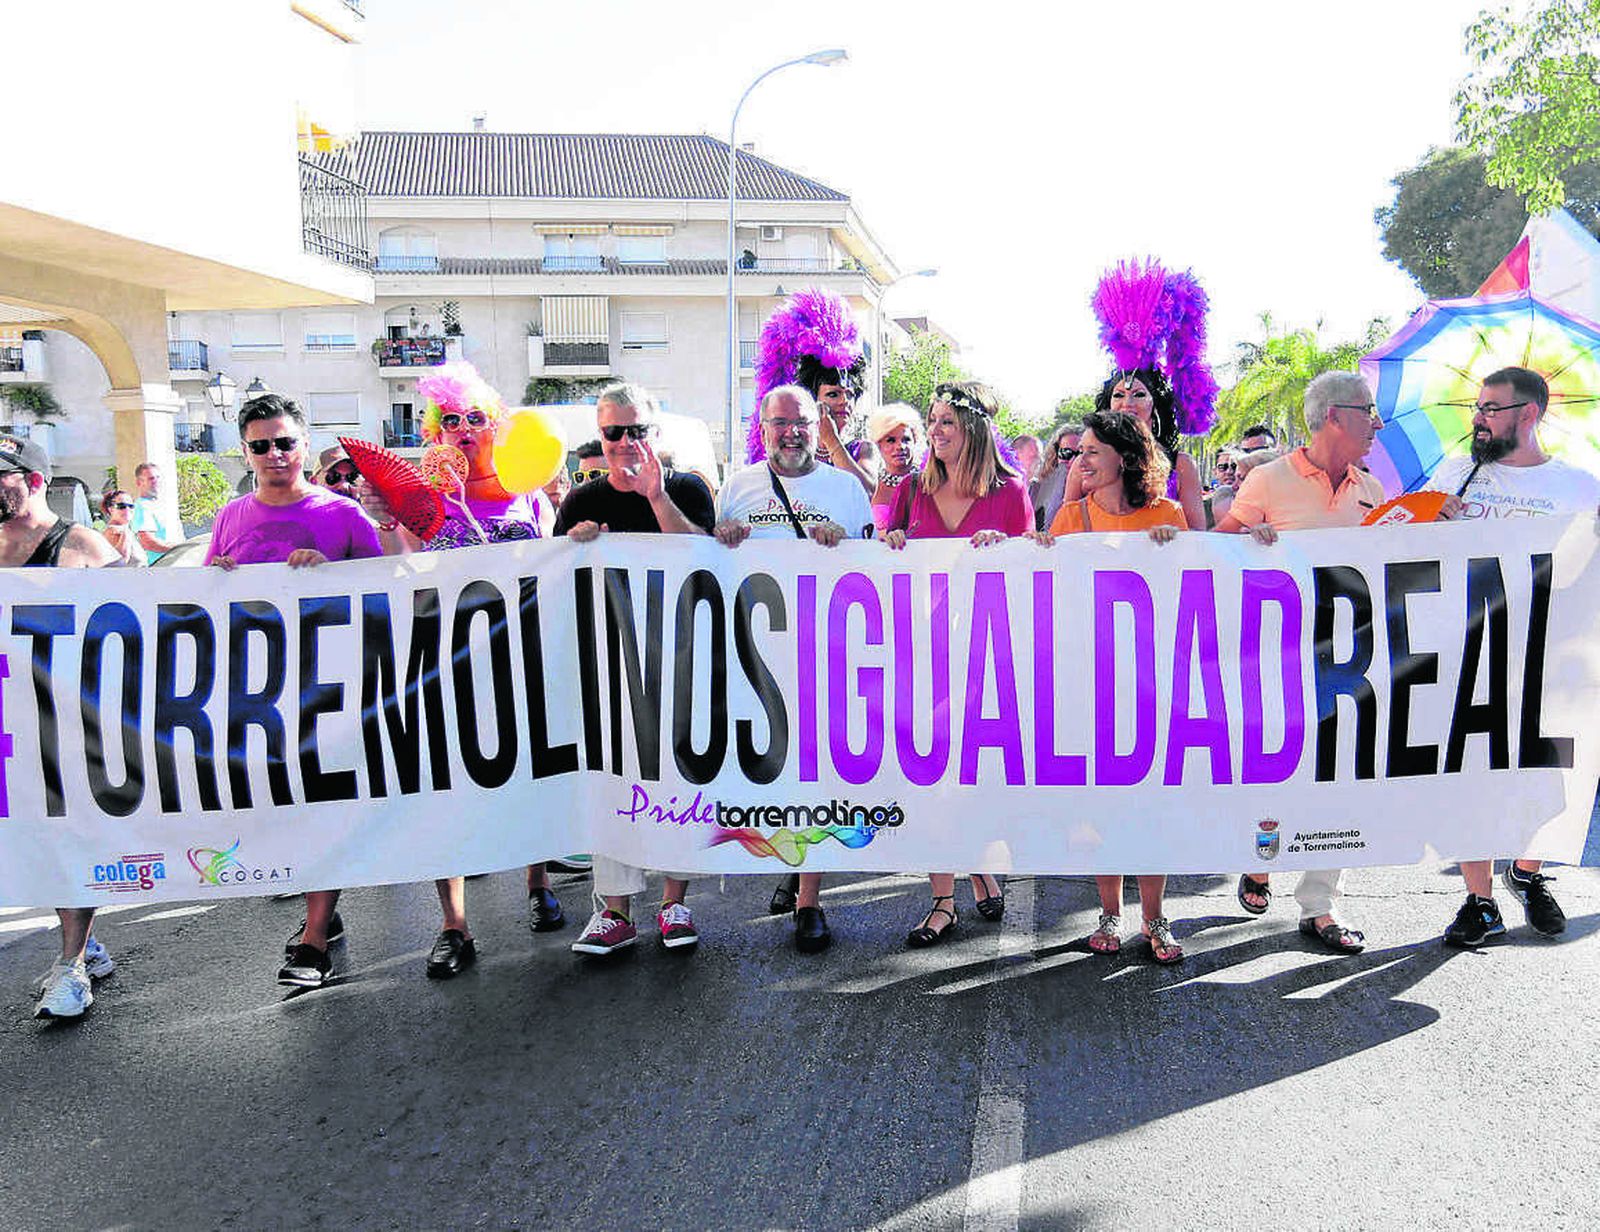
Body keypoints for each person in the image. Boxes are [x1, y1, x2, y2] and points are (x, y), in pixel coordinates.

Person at [359, 361, 561, 977]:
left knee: (536, 774)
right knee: (445, 790)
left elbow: (557, 565)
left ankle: (537, 880)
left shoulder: (526, 492)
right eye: (452, 420)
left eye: (477, 418)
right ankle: (453, 925)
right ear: (436, 431)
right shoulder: (422, 500)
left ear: (495, 427)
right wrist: (388, 523)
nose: (465, 429)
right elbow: (404, 574)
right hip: (447, 662)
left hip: (524, 659)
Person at [203, 396, 383, 989]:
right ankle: (322, 920)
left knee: (323, 804)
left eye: (285, 442)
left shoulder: (345, 515)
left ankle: (312, 937)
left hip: (330, 690)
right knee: (286, 806)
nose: (275, 455)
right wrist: (221, 574)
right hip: (257, 693)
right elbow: (203, 593)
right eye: (261, 445)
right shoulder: (229, 517)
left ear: (305, 446)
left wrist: (330, 574)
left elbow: (384, 599)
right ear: (246, 452)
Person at [1424, 366, 1600, 948]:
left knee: (1545, 779)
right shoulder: (1456, 475)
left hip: (1548, 659)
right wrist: (1429, 517)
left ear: (1529, 414)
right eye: (1476, 407)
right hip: (1467, 655)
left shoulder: (1580, 488)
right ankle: (1480, 901)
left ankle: (1527, 872)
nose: (1478, 418)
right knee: (1469, 779)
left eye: (1491, 408)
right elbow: (1395, 545)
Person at [1214, 370, 1384, 953]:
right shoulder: (1267, 479)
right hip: (1277, 656)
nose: (1376, 425)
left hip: (1347, 660)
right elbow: (1217, 548)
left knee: (1340, 779)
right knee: (1275, 767)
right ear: (1334, 416)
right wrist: (1246, 538)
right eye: (1368, 412)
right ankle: (1259, 860)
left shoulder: (1373, 490)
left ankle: (1321, 906)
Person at [556, 383, 717, 957]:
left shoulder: (689, 488)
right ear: (600, 437)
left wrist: (656, 498)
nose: (626, 442)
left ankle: (675, 902)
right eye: (613, 433)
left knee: (677, 779)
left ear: (655, 431)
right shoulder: (578, 501)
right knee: (610, 782)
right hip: (608, 665)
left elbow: (703, 553)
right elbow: (557, 586)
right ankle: (615, 911)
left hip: (678, 660)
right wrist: (574, 545)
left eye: (636, 430)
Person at [715, 384, 875, 953]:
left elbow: (872, 569)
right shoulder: (737, 488)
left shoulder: (845, 490)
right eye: (780, 422)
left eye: (802, 421)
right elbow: (713, 568)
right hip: (758, 658)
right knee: (774, 770)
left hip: (826, 654)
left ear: (819, 424)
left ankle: (810, 899)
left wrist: (843, 549)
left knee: (819, 772)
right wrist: (724, 540)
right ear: (763, 427)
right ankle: (792, 855)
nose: (792, 432)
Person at [1031, 412, 1187, 962]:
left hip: (1150, 684)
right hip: (1089, 681)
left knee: (1152, 804)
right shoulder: (1071, 518)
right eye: (1078, 454)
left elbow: (1192, 589)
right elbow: (1041, 581)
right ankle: (1110, 915)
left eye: (1093, 451)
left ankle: (1156, 919)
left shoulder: (1167, 515)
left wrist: (1173, 550)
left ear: (1125, 456)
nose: (1082, 462)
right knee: (1105, 802)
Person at [883, 381, 1032, 947]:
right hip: (921, 651)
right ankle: (941, 898)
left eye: (946, 422)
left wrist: (1010, 549)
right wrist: (891, 540)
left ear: (972, 430)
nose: (935, 432)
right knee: (929, 773)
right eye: (933, 421)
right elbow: (884, 549)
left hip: (986, 657)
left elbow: (1032, 573)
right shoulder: (912, 489)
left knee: (974, 776)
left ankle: (979, 864)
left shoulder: (1009, 492)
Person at [0, 434, 122, 1018]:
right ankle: (85, 946)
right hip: (9, 729)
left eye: (3, 475)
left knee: (65, 836)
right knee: (30, 841)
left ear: (36, 480)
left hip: (67, 730)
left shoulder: (78, 545)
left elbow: (144, 625)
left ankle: (72, 965)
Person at [746, 287, 875, 497]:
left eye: (850, 395)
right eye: (834, 394)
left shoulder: (862, 450)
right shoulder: (794, 446)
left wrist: (832, 440)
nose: (845, 402)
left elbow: (865, 491)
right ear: (813, 401)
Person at [864, 402, 926, 531]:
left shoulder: (928, 481)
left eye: (906, 440)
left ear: (915, 441)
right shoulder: (871, 484)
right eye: (891, 440)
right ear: (878, 444)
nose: (900, 446)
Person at [1031, 422, 1084, 531]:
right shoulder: (1037, 488)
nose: (1073, 461)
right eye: (1066, 453)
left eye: (1080, 454)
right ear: (1055, 456)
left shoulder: (1096, 493)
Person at [129, 460, 183, 563]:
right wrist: (179, 550)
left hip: (174, 564)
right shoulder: (142, 507)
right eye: (151, 478)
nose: (156, 481)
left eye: (158, 477)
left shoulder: (161, 505)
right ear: (139, 482)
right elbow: (148, 542)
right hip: (158, 568)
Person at [98, 488, 145, 566]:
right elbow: (120, 562)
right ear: (111, 509)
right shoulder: (113, 531)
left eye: (131, 506)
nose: (127, 509)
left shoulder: (125, 530)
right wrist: (125, 534)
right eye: (121, 506)